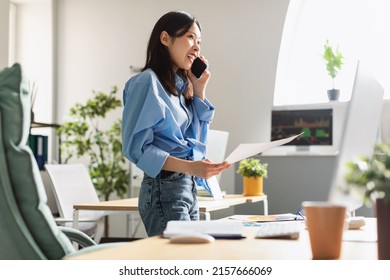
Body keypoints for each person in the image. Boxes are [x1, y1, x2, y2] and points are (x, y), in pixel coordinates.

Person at [122, 11, 231, 237]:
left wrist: (199, 89)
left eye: (199, 41)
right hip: (163, 190)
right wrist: (191, 167)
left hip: (186, 187)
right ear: (165, 39)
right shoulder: (146, 83)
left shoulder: (181, 89)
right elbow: (137, 149)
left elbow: (196, 144)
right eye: (190, 37)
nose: (197, 47)